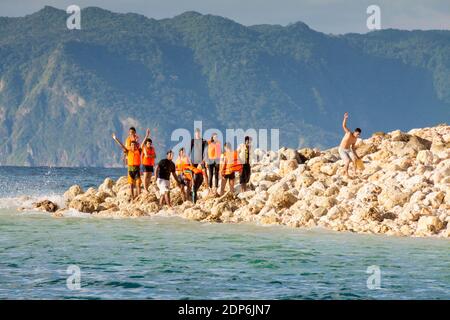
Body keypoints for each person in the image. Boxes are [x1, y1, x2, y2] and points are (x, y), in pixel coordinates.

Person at [112, 129, 149, 200]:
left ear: (135, 145)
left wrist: (147, 136)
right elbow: (122, 145)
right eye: (131, 145)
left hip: (137, 169)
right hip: (130, 169)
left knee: (138, 184)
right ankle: (132, 197)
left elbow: (142, 143)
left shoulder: (139, 150)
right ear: (130, 146)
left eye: (134, 145)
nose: (133, 146)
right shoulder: (128, 151)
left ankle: (139, 197)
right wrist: (115, 139)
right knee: (131, 184)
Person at [339, 112, 361, 178]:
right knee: (348, 161)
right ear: (354, 132)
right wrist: (345, 118)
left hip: (348, 150)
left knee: (354, 159)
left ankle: (354, 172)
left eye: (359, 134)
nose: (358, 135)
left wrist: (357, 156)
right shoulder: (349, 133)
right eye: (357, 134)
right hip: (342, 149)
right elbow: (344, 126)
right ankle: (346, 174)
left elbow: (353, 148)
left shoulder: (355, 139)